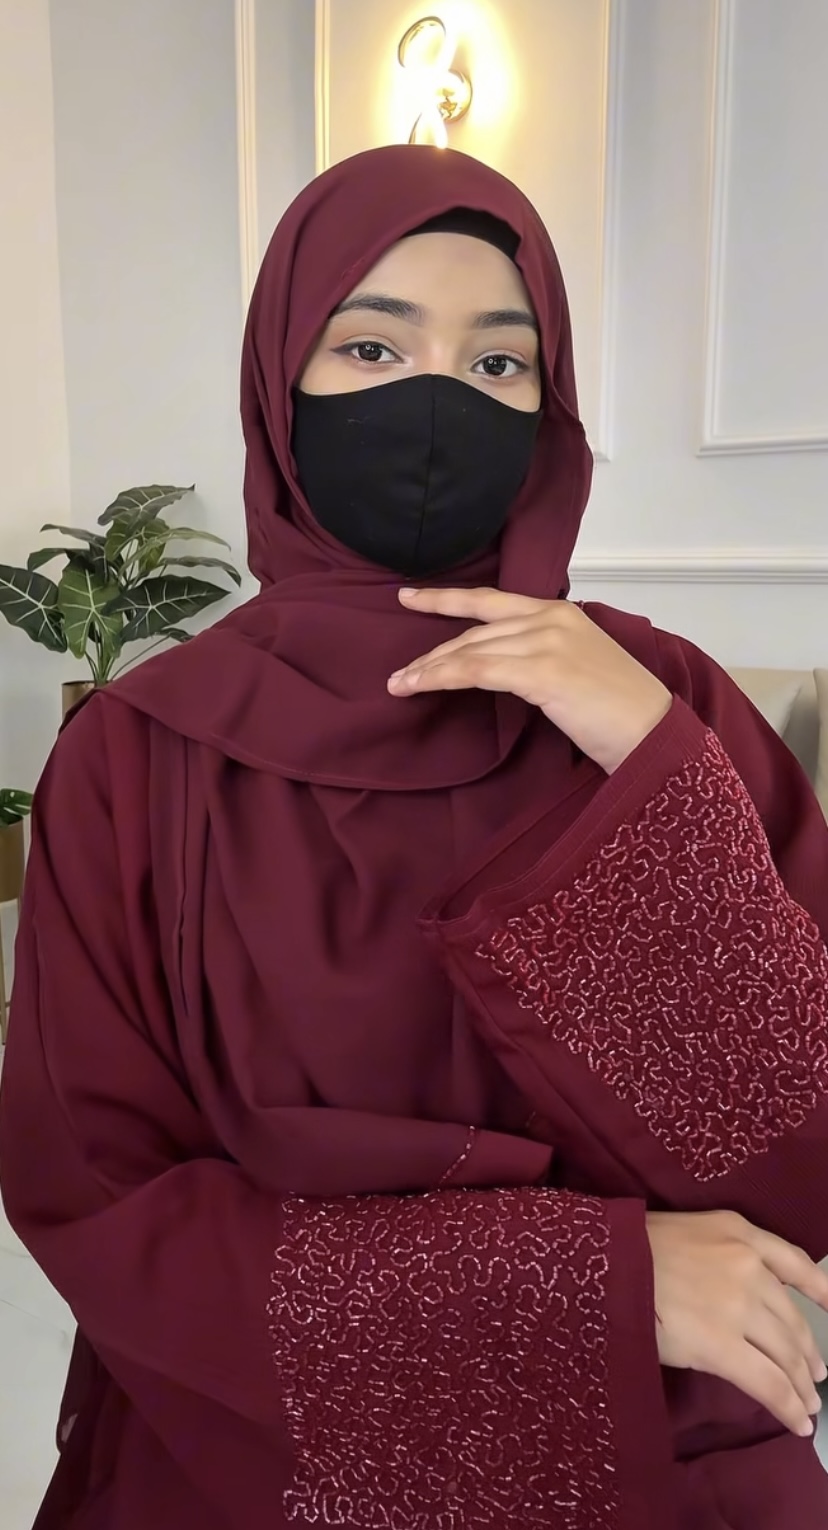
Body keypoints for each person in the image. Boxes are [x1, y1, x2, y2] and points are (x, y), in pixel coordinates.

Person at [1, 144, 828, 1530]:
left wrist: (653, 772)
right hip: (266, 1441)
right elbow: (98, 1197)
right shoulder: (136, 755)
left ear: (552, 410)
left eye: (499, 363)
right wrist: (594, 1291)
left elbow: (798, 1152)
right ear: (282, 386)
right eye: (373, 347)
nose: (439, 405)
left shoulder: (666, 701)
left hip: (662, 1447)